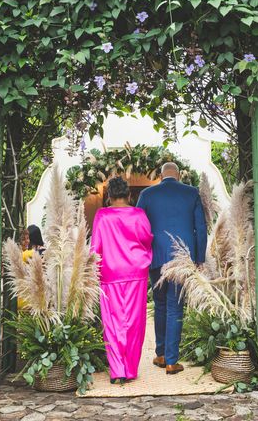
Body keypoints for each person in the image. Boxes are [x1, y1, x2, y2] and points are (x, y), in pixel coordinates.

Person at [136, 162, 207, 375]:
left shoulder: (147, 194)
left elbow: (138, 226)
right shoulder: (191, 193)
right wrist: (199, 258)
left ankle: (160, 354)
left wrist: (143, 252)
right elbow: (200, 228)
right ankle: (171, 360)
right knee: (175, 306)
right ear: (178, 175)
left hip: (156, 256)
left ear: (160, 175)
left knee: (160, 304)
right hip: (182, 257)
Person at [91, 177, 153, 384]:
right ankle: (131, 369)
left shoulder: (102, 215)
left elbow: (95, 247)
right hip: (135, 272)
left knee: (111, 320)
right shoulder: (139, 214)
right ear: (129, 195)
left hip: (110, 272)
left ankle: (117, 369)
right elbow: (146, 238)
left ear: (109, 196)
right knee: (135, 322)